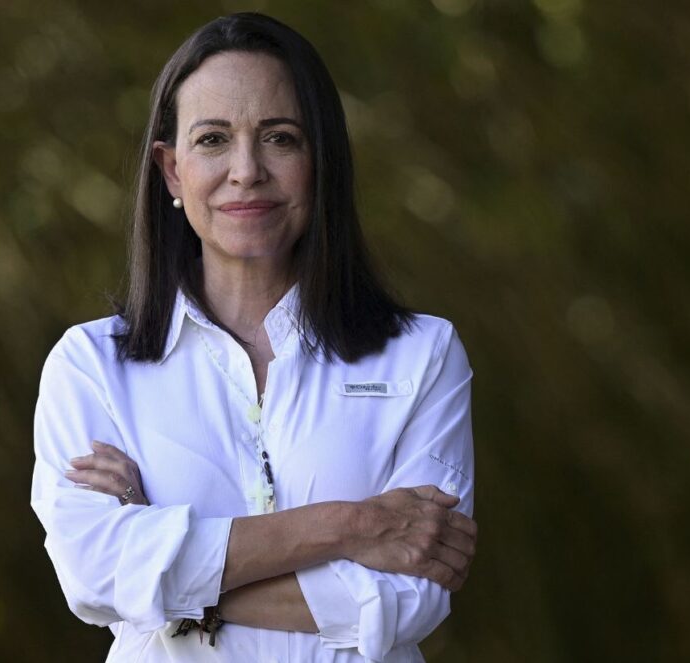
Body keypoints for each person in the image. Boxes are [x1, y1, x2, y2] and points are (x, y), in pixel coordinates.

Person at [31, 12, 477, 663]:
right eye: (212, 139)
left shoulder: (422, 354)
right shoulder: (91, 366)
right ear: (172, 171)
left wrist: (164, 561)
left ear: (321, 160)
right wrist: (354, 524)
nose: (246, 170)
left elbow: (413, 595)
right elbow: (93, 572)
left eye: (280, 138)